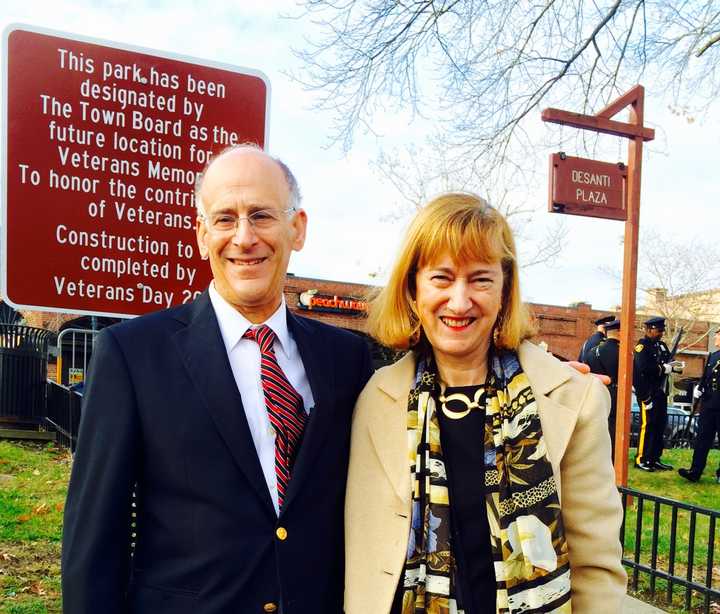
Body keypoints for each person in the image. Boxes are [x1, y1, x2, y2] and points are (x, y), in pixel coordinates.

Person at [61, 144, 374, 613]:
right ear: (202, 235)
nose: (244, 238)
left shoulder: (347, 358)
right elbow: (93, 544)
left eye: (262, 215)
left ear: (298, 228)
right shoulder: (132, 355)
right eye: (225, 219)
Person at [344, 193, 626, 614]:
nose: (460, 302)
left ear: (503, 290)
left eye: (480, 279)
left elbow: (596, 569)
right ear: (413, 288)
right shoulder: (375, 398)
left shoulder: (574, 399)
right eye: (441, 278)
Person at [633, 316, 683, 472]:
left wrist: (675, 367)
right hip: (649, 392)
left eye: (662, 330)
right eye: (658, 330)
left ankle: (654, 458)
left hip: (661, 392)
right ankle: (641, 458)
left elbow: (668, 362)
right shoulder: (642, 346)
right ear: (649, 330)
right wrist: (663, 368)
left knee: (659, 425)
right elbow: (643, 368)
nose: (661, 333)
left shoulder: (661, 346)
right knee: (647, 426)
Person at [678, 328, 720, 483]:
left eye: (718, 334)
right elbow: (706, 377)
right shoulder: (713, 355)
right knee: (702, 438)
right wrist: (699, 388)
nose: (715, 337)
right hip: (708, 404)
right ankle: (695, 471)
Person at [586, 318, 621, 459]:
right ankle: (611, 457)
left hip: (597, 392)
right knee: (613, 427)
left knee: (597, 426)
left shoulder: (592, 350)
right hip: (614, 392)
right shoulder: (620, 352)